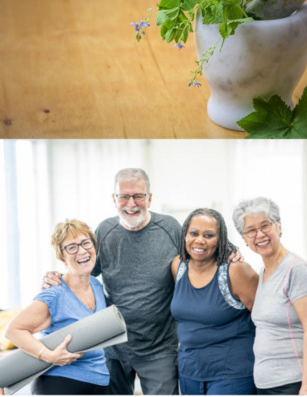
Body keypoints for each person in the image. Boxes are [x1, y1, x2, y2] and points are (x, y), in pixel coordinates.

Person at [43, 168, 239, 394]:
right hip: (113, 348)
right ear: (114, 199)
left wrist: (232, 251)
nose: (131, 203)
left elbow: (200, 247)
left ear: (150, 198)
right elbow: (84, 270)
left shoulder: (169, 227)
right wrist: (56, 275)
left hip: (160, 349)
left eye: (138, 196)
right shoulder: (105, 230)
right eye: (123, 196)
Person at [232, 197, 307, 395]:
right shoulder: (263, 273)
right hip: (270, 383)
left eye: (265, 225)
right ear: (244, 239)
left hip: (297, 382)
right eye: (251, 230)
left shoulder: (296, 269)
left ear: (279, 227)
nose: (259, 234)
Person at [6, 220, 110, 394]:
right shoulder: (54, 293)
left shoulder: (97, 286)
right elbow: (13, 330)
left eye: (86, 243)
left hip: (98, 382)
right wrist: (49, 356)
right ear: (62, 256)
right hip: (60, 383)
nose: (82, 251)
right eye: (72, 247)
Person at [170, 208, 259, 395]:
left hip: (232, 374)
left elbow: (270, 316)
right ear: (185, 236)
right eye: (194, 233)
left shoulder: (237, 271)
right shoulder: (178, 266)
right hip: (189, 373)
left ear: (220, 240)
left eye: (209, 235)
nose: (200, 240)